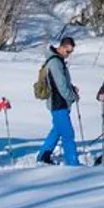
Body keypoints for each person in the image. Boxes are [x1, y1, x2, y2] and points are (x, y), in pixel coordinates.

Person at [37, 37, 81, 166]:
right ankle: (73, 163)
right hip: (58, 103)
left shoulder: (58, 60)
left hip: (59, 102)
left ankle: (43, 155)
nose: (69, 55)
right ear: (61, 47)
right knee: (68, 134)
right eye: (68, 51)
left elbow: (62, 82)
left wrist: (71, 88)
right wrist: (72, 96)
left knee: (57, 130)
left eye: (71, 52)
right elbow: (61, 85)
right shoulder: (55, 62)